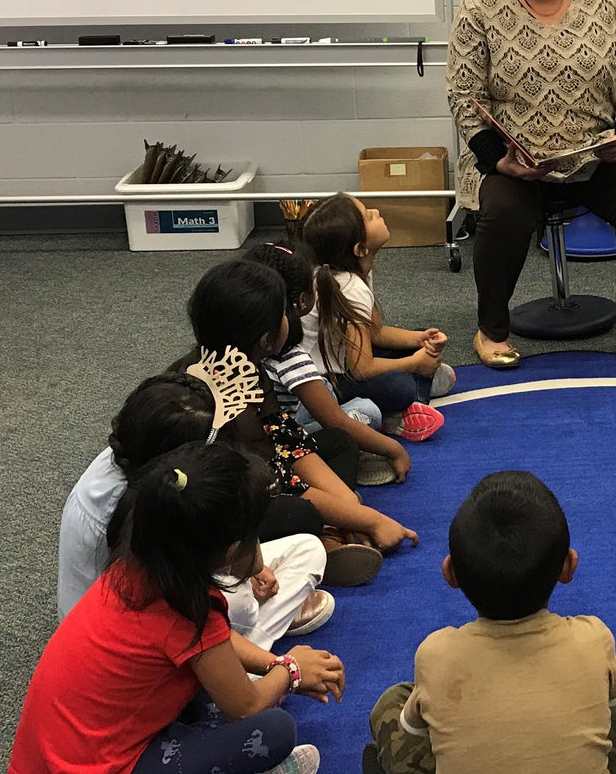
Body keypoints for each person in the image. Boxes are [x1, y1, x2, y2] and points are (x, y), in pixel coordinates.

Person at [10, 442, 345, 774]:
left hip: (58, 769)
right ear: (232, 548)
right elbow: (246, 706)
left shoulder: (139, 570)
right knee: (275, 730)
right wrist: (291, 670)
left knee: (223, 691)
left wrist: (272, 665)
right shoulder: (186, 613)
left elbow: (215, 644)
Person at [362, 470, 616, 774]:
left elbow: (414, 732)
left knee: (392, 705)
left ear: (451, 574)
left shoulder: (436, 654)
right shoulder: (593, 637)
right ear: (569, 566)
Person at [446, 0, 616, 368]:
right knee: (500, 212)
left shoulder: (604, 2)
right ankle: (491, 332)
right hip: (513, 161)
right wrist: (493, 156)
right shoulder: (481, 6)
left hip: (593, 160)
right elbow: (463, 94)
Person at [178, 259, 418, 580]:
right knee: (299, 512)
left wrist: (351, 508)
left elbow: (292, 444)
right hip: (217, 516)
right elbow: (284, 486)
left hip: (257, 482)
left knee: (338, 444)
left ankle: (329, 533)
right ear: (266, 339)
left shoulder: (246, 370)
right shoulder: (228, 404)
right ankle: (317, 548)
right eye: (283, 312)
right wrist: (369, 520)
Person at [57, 373, 333, 645]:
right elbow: (174, 597)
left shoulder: (139, 461)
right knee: (245, 604)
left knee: (307, 548)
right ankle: (249, 659)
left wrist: (251, 562)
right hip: (133, 626)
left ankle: (257, 631)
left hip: (166, 586)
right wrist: (246, 574)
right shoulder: (143, 508)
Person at [242, 241, 412, 488]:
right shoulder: (286, 353)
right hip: (274, 442)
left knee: (325, 387)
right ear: (302, 301)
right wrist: (396, 450)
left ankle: (364, 434)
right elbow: (336, 422)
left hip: (260, 427)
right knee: (367, 412)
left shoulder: (237, 336)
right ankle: (360, 445)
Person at [299, 193, 450, 443]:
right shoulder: (349, 286)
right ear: (360, 248)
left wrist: (421, 339)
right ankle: (403, 410)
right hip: (322, 386)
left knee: (417, 340)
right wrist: (414, 363)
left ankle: (419, 381)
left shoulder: (350, 271)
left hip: (342, 367)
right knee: (403, 387)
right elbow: (362, 368)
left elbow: (375, 332)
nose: (377, 211)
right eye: (369, 216)